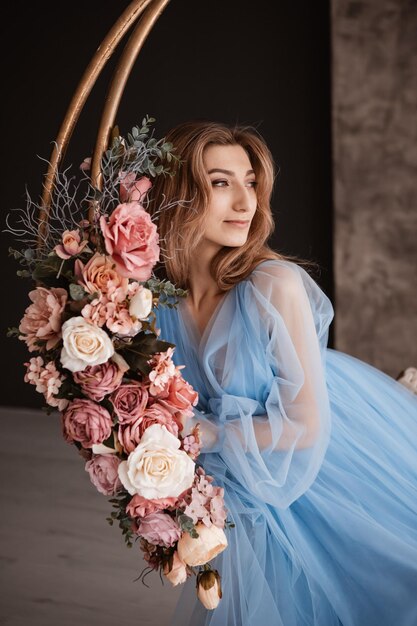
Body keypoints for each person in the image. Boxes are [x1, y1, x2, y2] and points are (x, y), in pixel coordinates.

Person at [148, 120, 417, 626]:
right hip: (239, 482)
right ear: (177, 194)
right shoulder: (157, 302)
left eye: (250, 182)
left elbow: (308, 427)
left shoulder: (273, 285)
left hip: (315, 460)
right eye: (221, 183)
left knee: (386, 585)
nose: (246, 202)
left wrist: (208, 433)